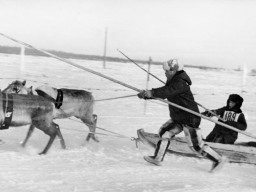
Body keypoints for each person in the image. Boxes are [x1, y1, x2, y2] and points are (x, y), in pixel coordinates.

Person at [137, 59, 226, 172]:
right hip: (179, 117)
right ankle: (158, 158)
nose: (165, 72)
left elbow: (166, 91)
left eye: (167, 71)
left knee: (196, 146)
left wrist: (151, 93)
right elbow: (165, 92)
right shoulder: (175, 81)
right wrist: (146, 95)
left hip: (190, 118)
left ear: (174, 71)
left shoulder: (180, 83)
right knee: (164, 133)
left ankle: (218, 160)